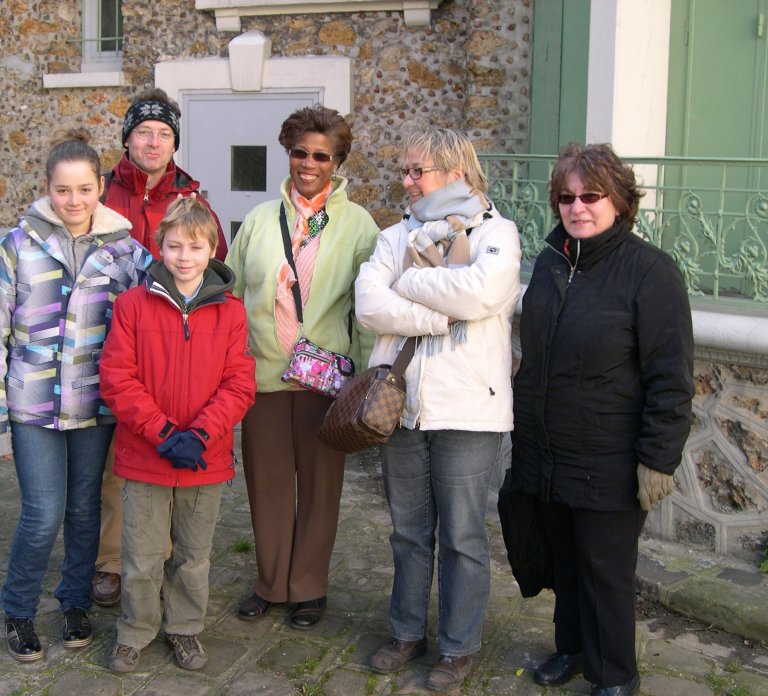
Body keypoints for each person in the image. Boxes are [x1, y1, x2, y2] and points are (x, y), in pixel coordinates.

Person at [511, 143, 694, 696]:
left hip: (610, 456)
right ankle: (571, 648)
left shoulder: (651, 273)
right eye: (566, 197)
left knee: (604, 570)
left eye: (591, 195)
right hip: (547, 447)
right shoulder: (550, 261)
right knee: (564, 561)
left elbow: (671, 377)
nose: (578, 206)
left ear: (619, 201)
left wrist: (657, 459)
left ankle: (615, 675)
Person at [0, 128, 149, 662]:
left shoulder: (126, 252)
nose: (74, 201)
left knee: (85, 512)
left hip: (96, 407)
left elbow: (162, 304)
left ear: (100, 187)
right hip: (33, 408)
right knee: (43, 513)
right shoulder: (18, 246)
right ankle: (19, 610)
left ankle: (74, 602)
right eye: (63, 190)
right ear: (47, 189)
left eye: (84, 189)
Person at [355, 124, 521, 692]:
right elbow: (369, 303)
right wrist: (436, 311)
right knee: (407, 531)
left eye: (416, 170)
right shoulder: (393, 234)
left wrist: (412, 280)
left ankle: (458, 645)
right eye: (406, 169)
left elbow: (481, 293)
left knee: (463, 535)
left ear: (453, 173)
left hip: (470, 409)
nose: (405, 180)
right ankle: (406, 631)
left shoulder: (498, 231)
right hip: (402, 406)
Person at [225, 105, 379, 630]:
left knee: (319, 488)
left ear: (337, 162)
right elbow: (234, 293)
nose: (308, 163)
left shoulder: (358, 224)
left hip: (326, 382)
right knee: (267, 486)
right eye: (299, 152)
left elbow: (366, 306)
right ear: (287, 153)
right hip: (264, 375)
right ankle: (271, 583)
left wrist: (362, 376)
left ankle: (309, 587)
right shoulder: (261, 220)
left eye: (321, 155)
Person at [99, 195, 256, 673]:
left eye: (194, 246)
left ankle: (185, 627)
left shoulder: (230, 312)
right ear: (159, 249)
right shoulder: (132, 306)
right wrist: (163, 432)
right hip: (147, 453)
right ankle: (135, 629)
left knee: (192, 556)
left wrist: (202, 434)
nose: (184, 257)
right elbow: (116, 378)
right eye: (173, 246)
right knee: (142, 555)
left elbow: (239, 382)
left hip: (203, 459)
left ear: (212, 250)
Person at [93, 86, 228, 608]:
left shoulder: (192, 200)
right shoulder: (103, 192)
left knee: (164, 461)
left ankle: (164, 559)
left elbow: (216, 275)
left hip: (174, 348)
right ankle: (110, 561)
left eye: (164, 134)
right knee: (115, 464)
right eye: (143, 132)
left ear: (175, 142)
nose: (153, 142)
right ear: (127, 138)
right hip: (109, 343)